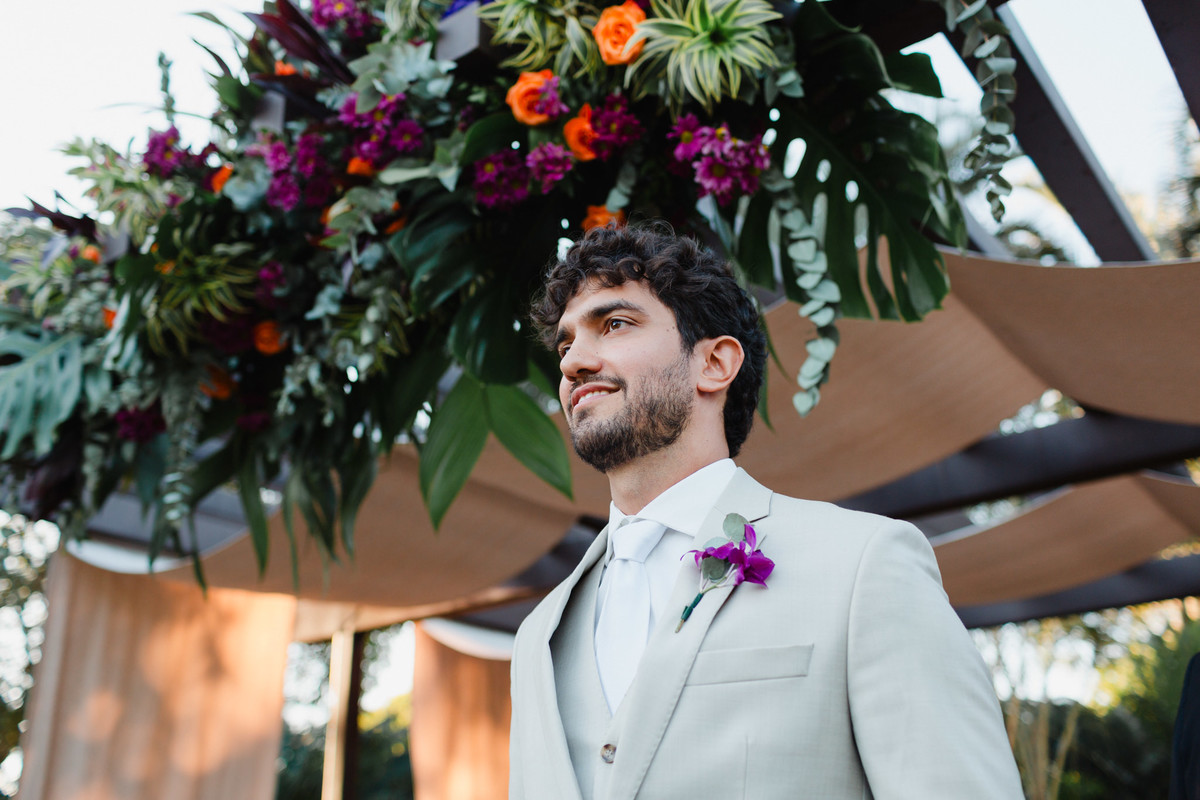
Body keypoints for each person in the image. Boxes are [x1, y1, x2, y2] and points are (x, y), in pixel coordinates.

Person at [508, 223, 1024, 799]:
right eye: (565, 343)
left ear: (715, 364)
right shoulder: (539, 635)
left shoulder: (862, 565)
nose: (574, 360)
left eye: (615, 324)